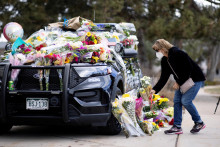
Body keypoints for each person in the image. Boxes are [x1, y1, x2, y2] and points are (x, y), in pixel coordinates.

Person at [150, 39, 206, 135]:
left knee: (186, 101)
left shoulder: (178, 53)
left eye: (157, 50)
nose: (156, 53)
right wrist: (154, 90)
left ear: (163, 49)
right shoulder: (164, 60)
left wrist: (179, 82)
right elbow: (164, 77)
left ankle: (199, 122)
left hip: (195, 79)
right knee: (177, 101)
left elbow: (188, 68)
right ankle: (177, 127)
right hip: (183, 81)